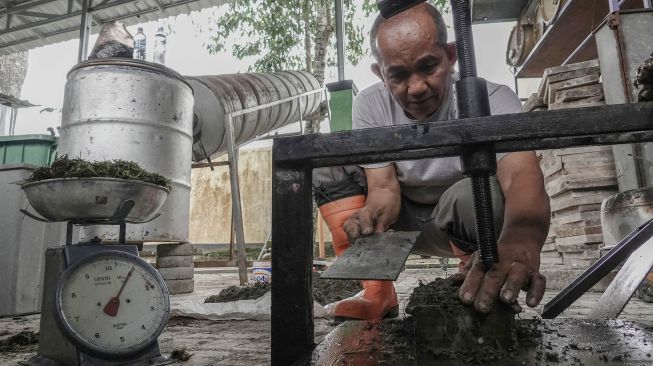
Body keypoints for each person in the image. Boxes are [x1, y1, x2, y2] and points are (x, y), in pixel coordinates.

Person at [314, 2, 550, 321]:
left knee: (478, 194)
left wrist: (522, 240)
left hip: (464, 218)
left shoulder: (494, 99)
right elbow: (383, 189)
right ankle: (377, 292)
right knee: (326, 162)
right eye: (397, 74)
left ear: (451, 56)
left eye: (428, 67)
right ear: (380, 73)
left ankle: (475, 274)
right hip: (404, 223)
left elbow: (522, 177)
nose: (416, 88)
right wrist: (370, 215)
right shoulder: (369, 105)